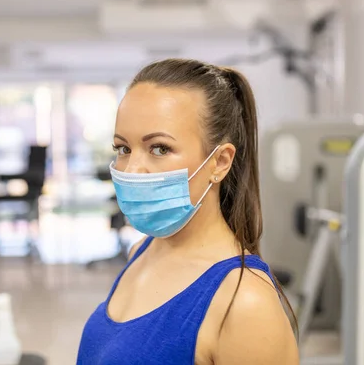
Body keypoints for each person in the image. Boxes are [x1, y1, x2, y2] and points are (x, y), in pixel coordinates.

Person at [77, 58, 299, 365]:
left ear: (219, 162)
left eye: (159, 148)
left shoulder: (244, 302)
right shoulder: (142, 252)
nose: (133, 170)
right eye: (123, 148)